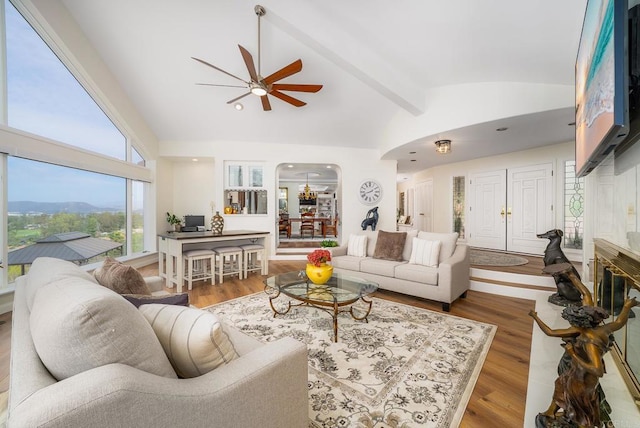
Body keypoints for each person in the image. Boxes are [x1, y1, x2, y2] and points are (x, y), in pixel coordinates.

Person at [529, 263, 638, 427]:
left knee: (573, 395)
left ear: (583, 321)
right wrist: (627, 306)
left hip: (574, 366)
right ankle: (556, 413)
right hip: (578, 367)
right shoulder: (598, 326)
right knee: (564, 388)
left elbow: (551, 332)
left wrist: (535, 317)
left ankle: (578, 419)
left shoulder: (584, 335)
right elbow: (616, 319)